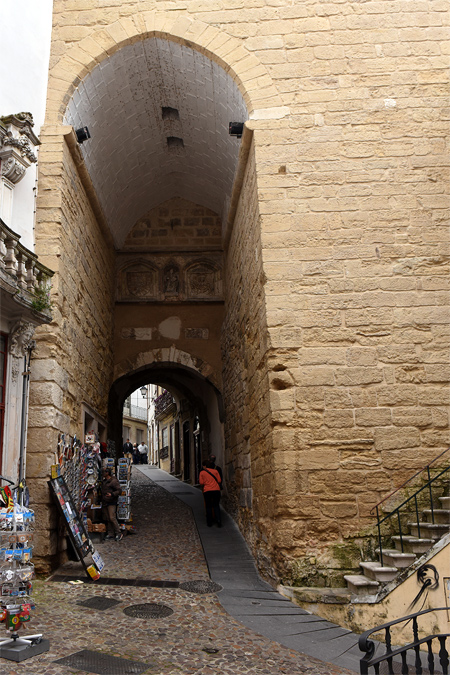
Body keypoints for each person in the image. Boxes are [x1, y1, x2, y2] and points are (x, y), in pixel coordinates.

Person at [101, 468, 123, 541]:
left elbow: (119, 490)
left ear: (107, 473)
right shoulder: (104, 481)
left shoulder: (113, 481)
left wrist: (112, 494)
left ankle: (118, 533)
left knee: (112, 517)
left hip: (111, 502)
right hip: (105, 501)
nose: (102, 474)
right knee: (108, 518)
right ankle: (110, 533)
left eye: (104, 472)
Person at [199, 460, 222, 527]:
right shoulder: (215, 471)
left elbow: (201, 483)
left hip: (207, 491)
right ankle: (219, 521)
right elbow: (219, 480)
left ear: (205, 466)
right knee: (216, 505)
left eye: (203, 466)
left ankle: (209, 522)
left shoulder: (202, 473)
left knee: (208, 506)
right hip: (216, 490)